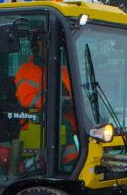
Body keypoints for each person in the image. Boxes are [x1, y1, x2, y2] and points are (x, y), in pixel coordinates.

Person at [13, 37, 78, 166]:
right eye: (43, 45)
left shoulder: (63, 70)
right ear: (35, 48)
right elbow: (27, 100)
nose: (48, 50)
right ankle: (70, 164)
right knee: (63, 125)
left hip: (64, 120)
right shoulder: (26, 70)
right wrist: (55, 104)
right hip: (36, 123)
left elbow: (73, 95)